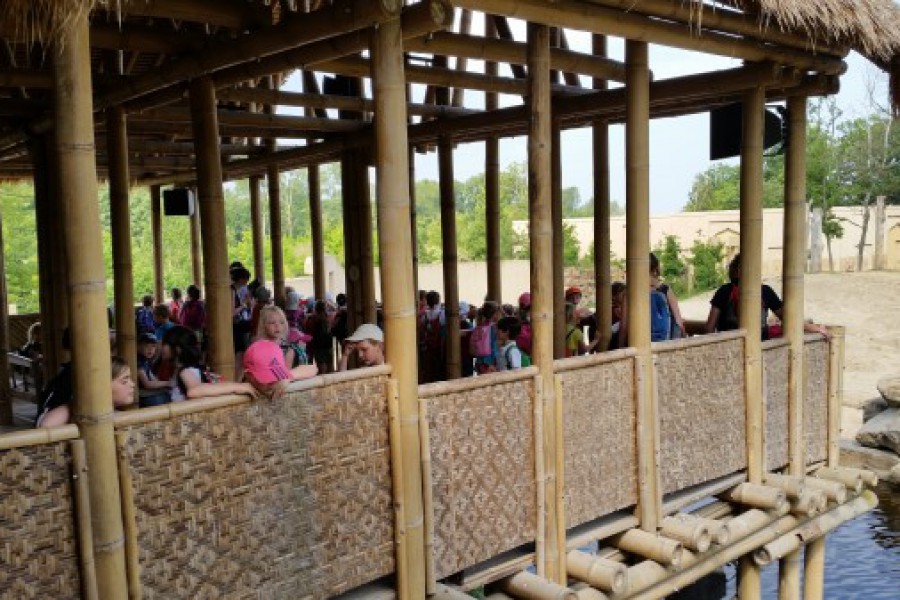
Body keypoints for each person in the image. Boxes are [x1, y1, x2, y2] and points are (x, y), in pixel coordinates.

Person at [705, 254, 830, 340]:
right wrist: (815, 328)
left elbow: (710, 327)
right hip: (761, 345)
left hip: (730, 345)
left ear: (734, 271)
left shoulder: (723, 291)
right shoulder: (764, 291)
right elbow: (788, 319)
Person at [161, 325, 257, 401]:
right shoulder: (195, 369)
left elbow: (194, 390)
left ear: (177, 349)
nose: (162, 347)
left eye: (165, 343)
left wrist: (236, 387)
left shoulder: (185, 371)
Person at [38, 356, 135, 428]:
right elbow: (46, 425)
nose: (132, 384)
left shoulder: (115, 414)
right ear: (101, 386)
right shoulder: (76, 411)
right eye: (124, 381)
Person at [243, 338, 318, 399]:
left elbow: (312, 368)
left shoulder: (280, 381)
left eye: (275, 374)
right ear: (248, 375)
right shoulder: (243, 390)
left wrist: (287, 377)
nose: (273, 382)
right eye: (266, 378)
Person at [650, 252, 686, 341]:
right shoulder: (665, 289)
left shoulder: (632, 292)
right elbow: (678, 321)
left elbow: (624, 327)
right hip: (665, 342)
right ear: (655, 269)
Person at [136, 332, 171, 407]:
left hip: (146, 392)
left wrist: (164, 385)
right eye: (146, 346)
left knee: (168, 394)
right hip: (140, 393)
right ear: (138, 346)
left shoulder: (146, 360)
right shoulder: (138, 361)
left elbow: (153, 378)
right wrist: (167, 383)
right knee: (160, 400)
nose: (150, 349)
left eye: (153, 346)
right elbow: (147, 384)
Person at [306, 300, 334, 374]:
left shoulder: (312, 319)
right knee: (329, 363)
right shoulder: (328, 318)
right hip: (327, 344)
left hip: (318, 345)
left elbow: (309, 331)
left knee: (321, 364)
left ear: (316, 309)